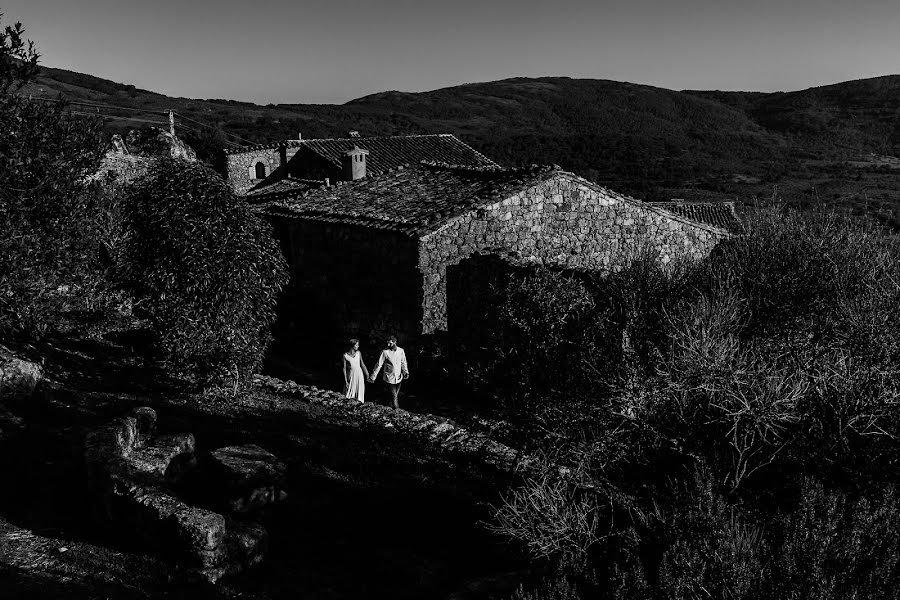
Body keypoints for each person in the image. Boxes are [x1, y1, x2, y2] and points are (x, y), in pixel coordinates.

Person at [369, 334, 409, 409]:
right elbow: (379, 364)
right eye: (387, 343)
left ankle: (390, 410)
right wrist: (373, 377)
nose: (388, 344)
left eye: (390, 343)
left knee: (394, 397)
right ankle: (399, 413)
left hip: (399, 378)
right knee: (394, 396)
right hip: (389, 378)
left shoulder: (401, 351)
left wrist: (406, 372)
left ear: (395, 342)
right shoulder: (385, 352)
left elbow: (403, 362)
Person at [342, 338, 369, 403]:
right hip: (351, 376)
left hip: (359, 376)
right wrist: (346, 381)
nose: (358, 346)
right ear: (352, 346)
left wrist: (367, 374)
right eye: (357, 345)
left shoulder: (358, 353)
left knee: (359, 393)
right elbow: (344, 368)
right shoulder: (345, 356)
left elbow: (362, 364)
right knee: (349, 395)